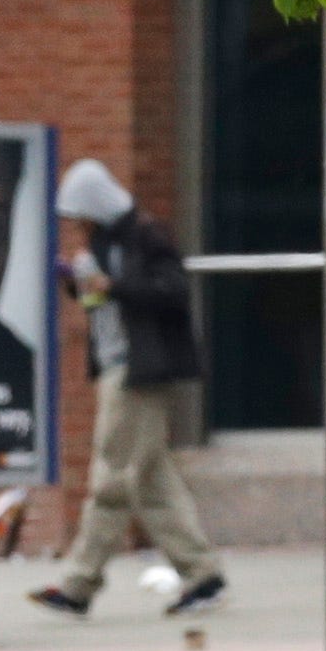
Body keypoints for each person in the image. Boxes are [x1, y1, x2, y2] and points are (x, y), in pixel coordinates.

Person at [29, 157, 225, 618]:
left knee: (111, 477)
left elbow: (171, 291)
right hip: (119, 366)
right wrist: (80, 287)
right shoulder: (103, 241)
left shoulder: (146, 236)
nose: (76, 225)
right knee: (152, 480)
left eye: (79, 214)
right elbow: (104, 301)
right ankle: (202, 572)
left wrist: (112, 285)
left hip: (138, 371)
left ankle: (79, 582)